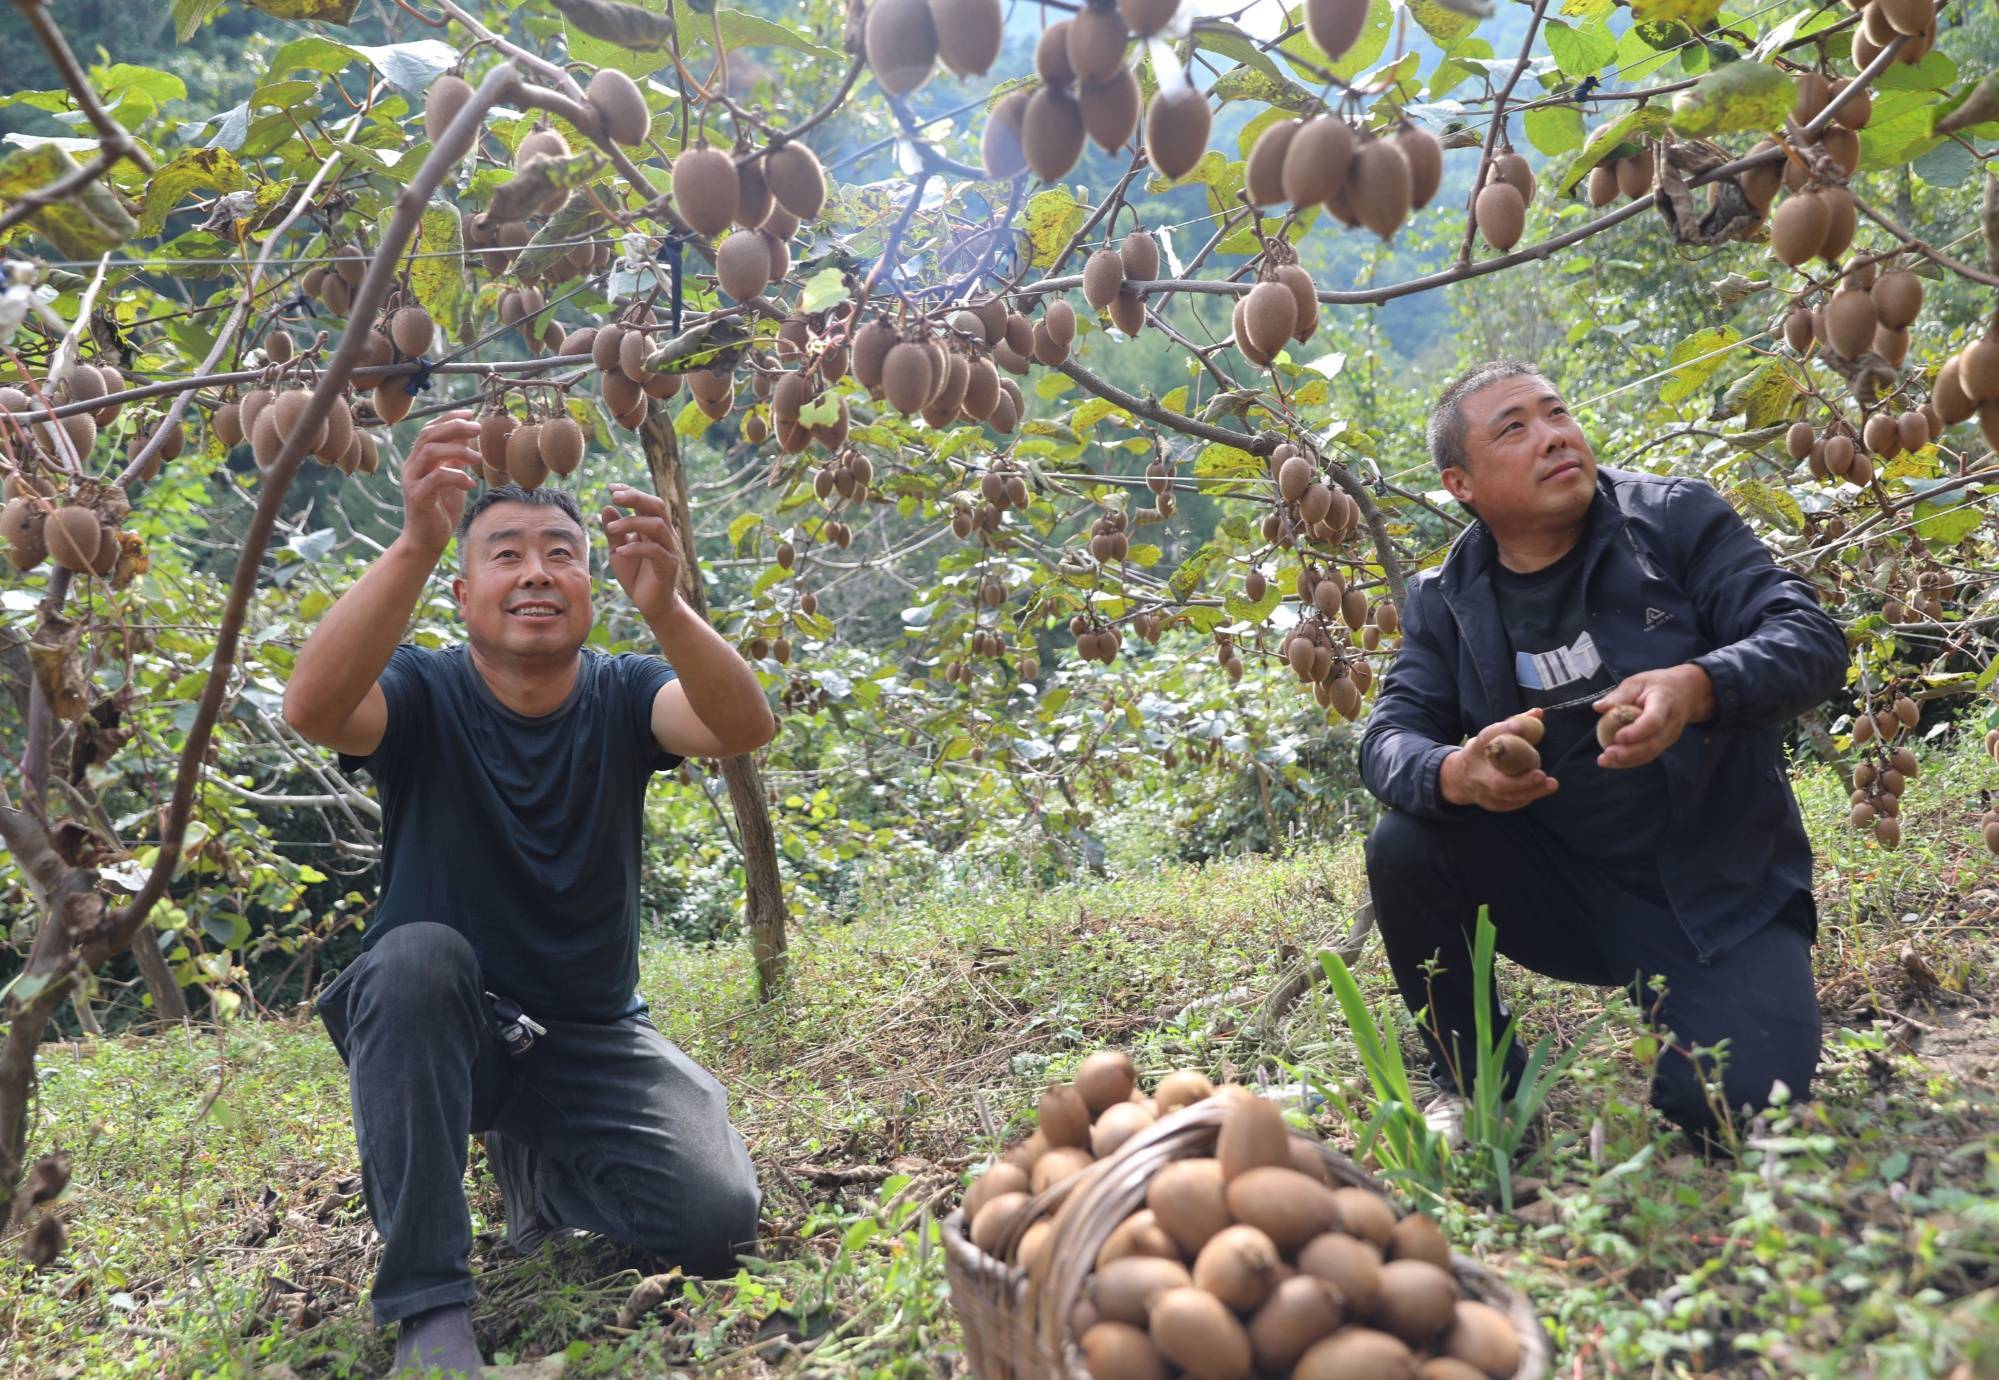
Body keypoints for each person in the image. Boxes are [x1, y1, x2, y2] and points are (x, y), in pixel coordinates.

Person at [283, 414, 776, 1378]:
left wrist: (669, 606)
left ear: (591, 588)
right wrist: (417, 539)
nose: (537, 572)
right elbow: (314, 707)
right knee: (418, 957)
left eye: (562, 554)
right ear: (463, 592)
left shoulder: (626, 692)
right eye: (505, 554)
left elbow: (739, 724)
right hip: (446, 1028)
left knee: (715, 1222)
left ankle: (538, 1171)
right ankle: (428, 1305)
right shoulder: (422, 692)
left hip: (589, 1038)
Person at [1358, 361, 1848, 1154]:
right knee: (1405, 841)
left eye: (1557, 413)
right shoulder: (1443, 598)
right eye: (1512, 429)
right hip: (1559, 887)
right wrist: (1455, 772)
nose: (1552, 435)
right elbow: (1387, 737)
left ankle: (1703, 1033)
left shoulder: (1674, 521)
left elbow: (1809, 639)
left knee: (1740, 1112)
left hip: (1715, 883)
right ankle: (1479, 1086)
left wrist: (1696, 687)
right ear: (1461, 484)